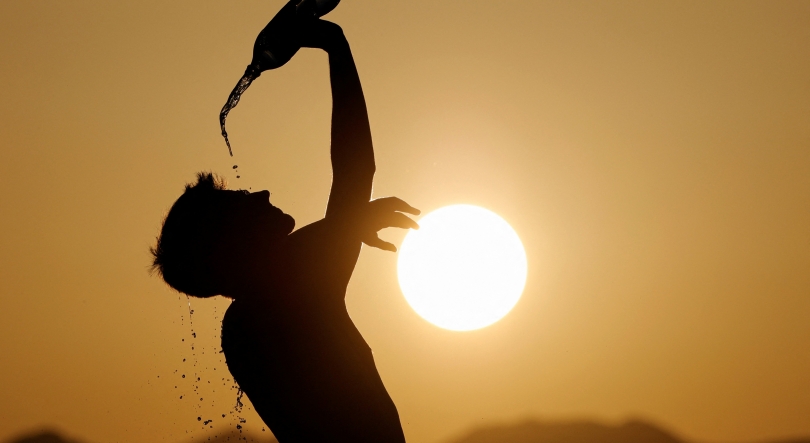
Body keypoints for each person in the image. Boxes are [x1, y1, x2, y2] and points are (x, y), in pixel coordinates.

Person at [151, 17, 418, 443]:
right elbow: (355, 170)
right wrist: (335, 45)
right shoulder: (288, 294)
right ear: (234, 244)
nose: (261, 194)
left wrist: (345, 223)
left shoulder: (246, 321)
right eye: (242, 202)